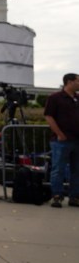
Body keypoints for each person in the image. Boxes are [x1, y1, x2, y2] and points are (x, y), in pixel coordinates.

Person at [43, 72, 79, 208]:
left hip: (77, 139)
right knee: (59, 168)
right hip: (61, 140)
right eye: (78, 81)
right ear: (69, 82)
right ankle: (57, 195)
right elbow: (49, 116)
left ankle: (75, 196)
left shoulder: (77, 98)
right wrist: (59, 133)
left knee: (77, 170)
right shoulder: (55, 98)